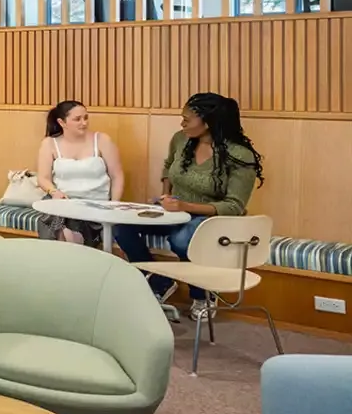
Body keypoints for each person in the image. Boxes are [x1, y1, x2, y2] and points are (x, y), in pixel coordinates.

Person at [114, 92, 264, 304]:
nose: (181, 123)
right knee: (122, 226)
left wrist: (184, 205)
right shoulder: (181, 139)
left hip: (213, 219)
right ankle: (159, 283)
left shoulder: (239, 155)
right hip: (175, 212)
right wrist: (166, 195)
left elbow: (234, 206)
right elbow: (168, 167)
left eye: (187, 119)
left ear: (208, 123)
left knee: (182, 240)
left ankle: (202, 296)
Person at [34, 101, 125, 248]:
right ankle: (60, 258)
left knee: (70, 232)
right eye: (77, 119)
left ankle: (72, 252)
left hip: (95, 204)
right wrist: (54, 191)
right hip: (63, 202)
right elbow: (43, 178)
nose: (84, 123)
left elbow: (117, 176)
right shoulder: (49, 143)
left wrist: (113, 205)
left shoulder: (102, 140)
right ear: (62, 122)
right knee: (56, 220)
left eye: (86, 118)